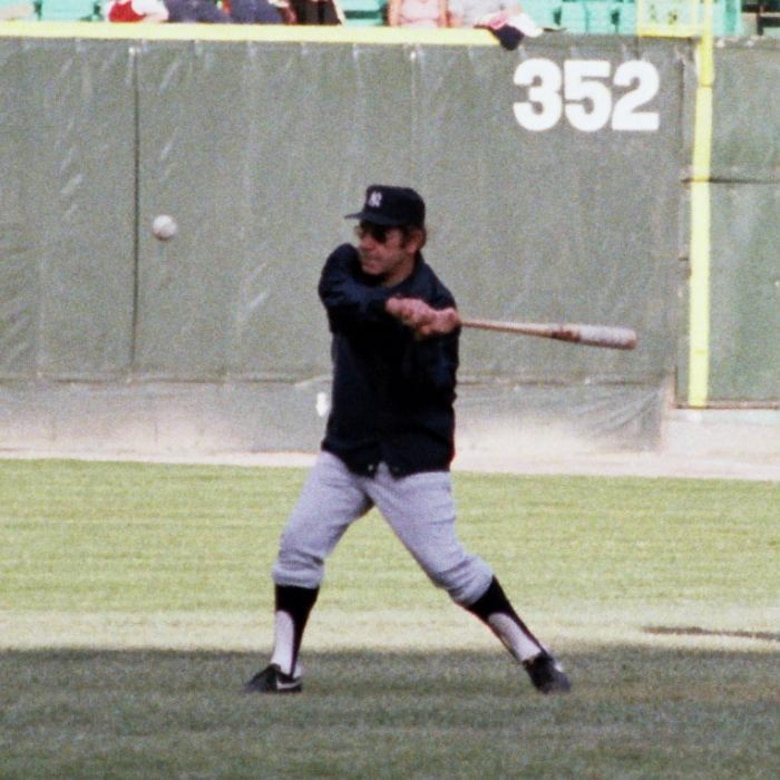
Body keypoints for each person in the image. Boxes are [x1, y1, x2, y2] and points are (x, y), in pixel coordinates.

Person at [244, 185, 571, 696]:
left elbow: (433, 391)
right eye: (364, 232)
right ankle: (284, 669)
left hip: (409, 458)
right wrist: (395, 309)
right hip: (348, 450)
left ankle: (536, 657)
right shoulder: (346, 267)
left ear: (413, 241)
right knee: (298, 549)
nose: (367, 244)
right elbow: (341, 300)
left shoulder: (440, 304)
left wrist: (428, 339)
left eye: (382, 235)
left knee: (450, 569)